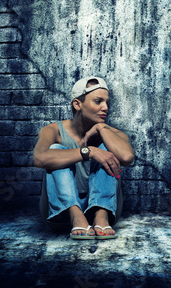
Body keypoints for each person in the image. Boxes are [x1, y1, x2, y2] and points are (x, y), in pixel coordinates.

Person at [33, 76, 134, 240]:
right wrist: (89, 151)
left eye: (107, 102)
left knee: (108, 148)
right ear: (77, 104)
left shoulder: (112, 132)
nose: (105, 107)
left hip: (105, 215)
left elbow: (126, 157)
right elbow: (39, 159)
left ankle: (100, 214)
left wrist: (101, 127)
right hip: (60, 213)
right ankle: (75, 215)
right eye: (98, 101)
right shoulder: (53, 130)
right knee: (56, 149)